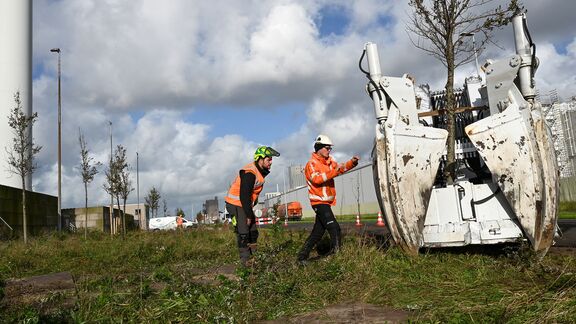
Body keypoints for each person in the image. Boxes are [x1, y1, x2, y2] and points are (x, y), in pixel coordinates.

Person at [297, 134, 359, 264]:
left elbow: (340, 169)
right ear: (319, 148)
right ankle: (337, 256)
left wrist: (352, 163)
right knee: (334, 228)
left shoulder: (330, 162)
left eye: (330, 148)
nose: (329, 150)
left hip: (326, 202)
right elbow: (317, 179)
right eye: (327, 148)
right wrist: (334, 171)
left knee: (318, 233)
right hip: (319, 202)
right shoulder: (311, 164)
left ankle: (302, 257)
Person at [225, 146, 280, 267]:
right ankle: (246, 262)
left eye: (271, 160)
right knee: (244, 232)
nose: (271, 162)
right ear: (259, 159)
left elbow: (252, 194)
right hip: (236, 203)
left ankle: (254, 257)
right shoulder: (249, 173)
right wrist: (249, 215)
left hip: (244, 204)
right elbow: (244, 196)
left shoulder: (259, 171)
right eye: (268, 159)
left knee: (253, 232)